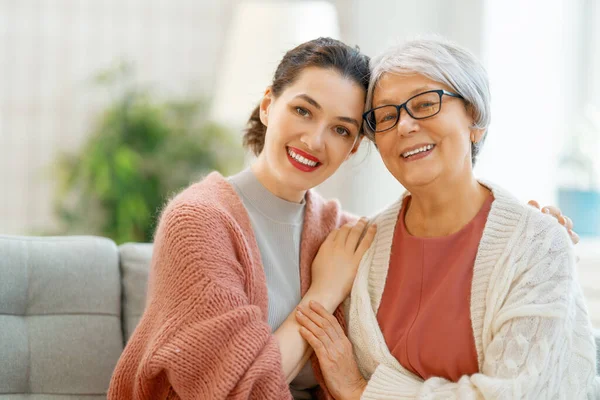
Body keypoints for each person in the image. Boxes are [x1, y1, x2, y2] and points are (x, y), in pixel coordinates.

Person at [108, 37, 579, 400]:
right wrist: (322, 294)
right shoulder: (199, 221)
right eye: (302, 110)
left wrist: (535, 230)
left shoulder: (344, 232)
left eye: (341, 129)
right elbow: (236, 390)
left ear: (356, 145)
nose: (315, 140)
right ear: (268, 105)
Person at [295, 36, 599, 399]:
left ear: (475, 118)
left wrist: (362, 391)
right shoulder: (360, 245)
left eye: (425, 104)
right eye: (387, 116)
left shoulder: (536, 244)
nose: (404, 126)